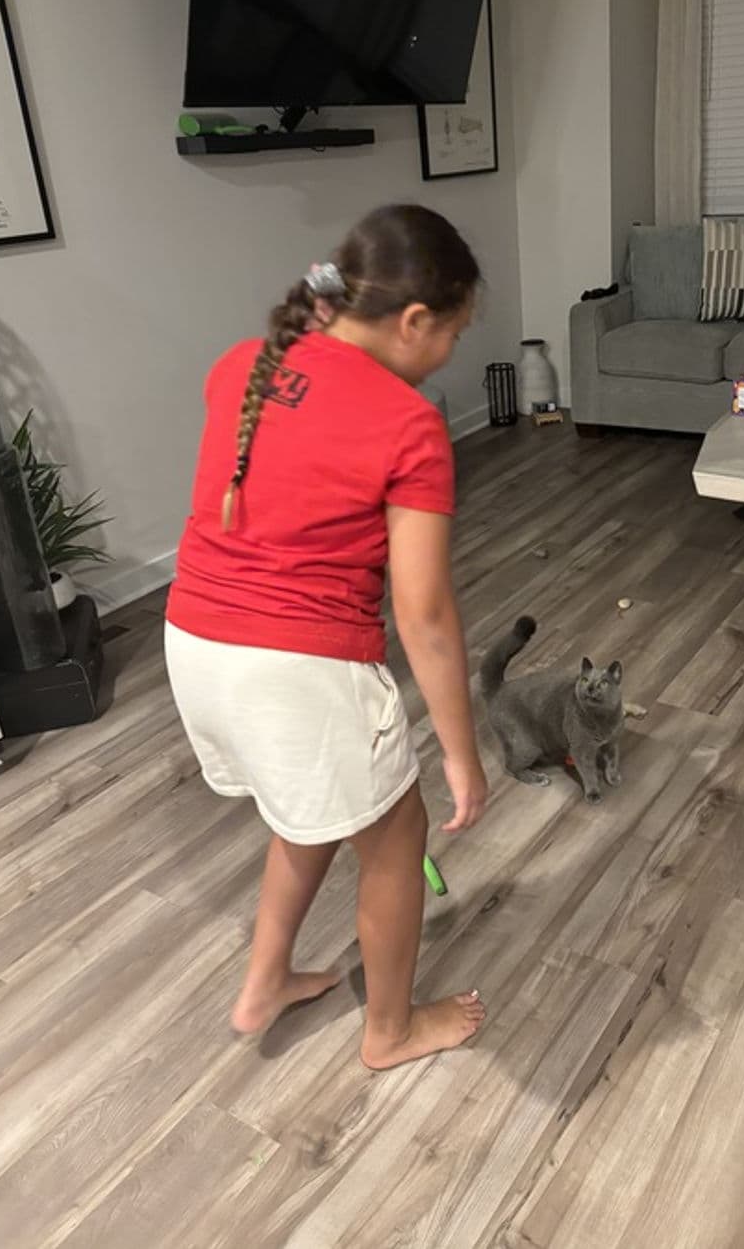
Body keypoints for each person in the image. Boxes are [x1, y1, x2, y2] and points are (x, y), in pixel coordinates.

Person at [164, 204, 489, 1069]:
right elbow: (422, 613)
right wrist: (460, 752)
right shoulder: (409, 423)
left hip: (195, 640)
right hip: (296, 668)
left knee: (306, 811)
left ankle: (265, 982)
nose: (449, 353)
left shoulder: (244, 363)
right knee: (395, 834)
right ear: (414, 321)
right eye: (453, 333)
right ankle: (389, 1031)